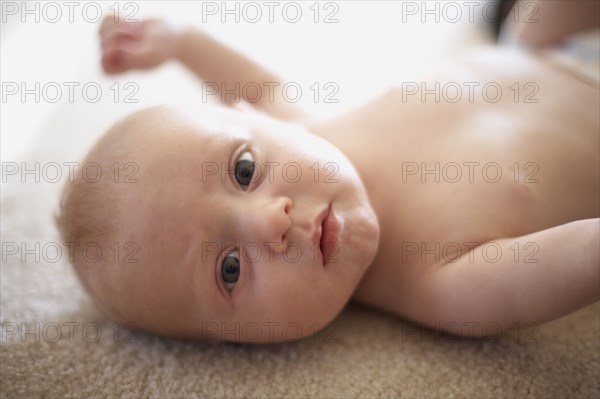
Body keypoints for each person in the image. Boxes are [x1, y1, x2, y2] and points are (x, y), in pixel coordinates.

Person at [57, 0, 599, 343]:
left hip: (540, 46)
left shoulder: (309, 125)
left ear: (256, 122)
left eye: (244, 170)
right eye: (229, 270)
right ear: (244, 341)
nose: (271, 222)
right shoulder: (444, 286)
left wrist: (180, 40)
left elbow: (260, 89)